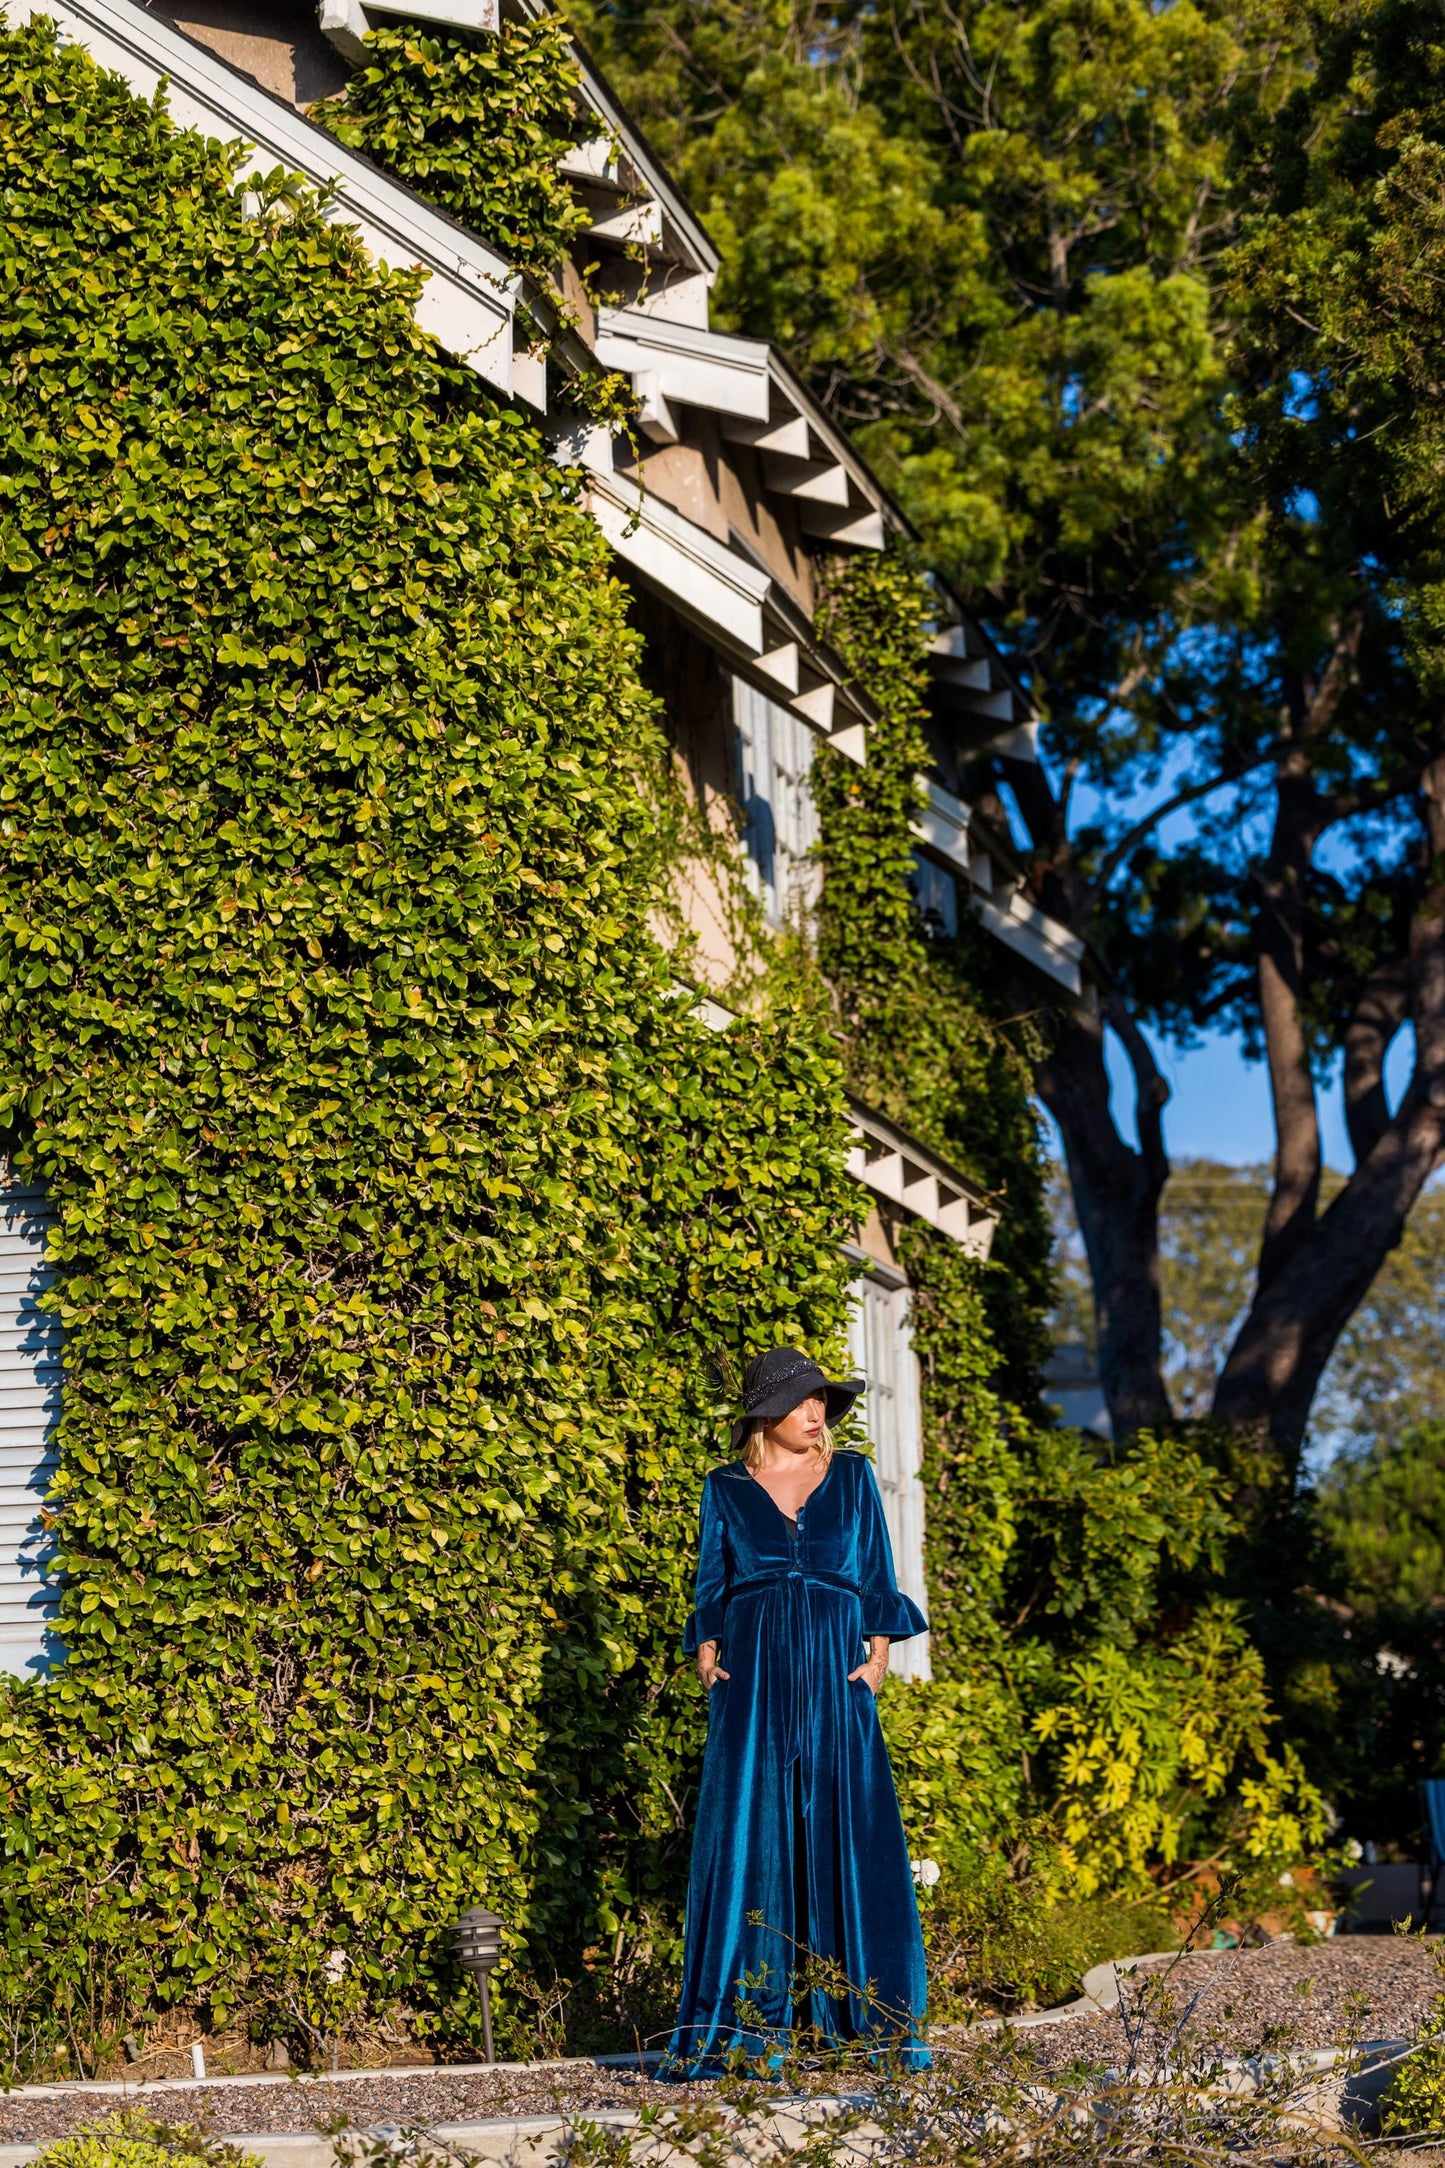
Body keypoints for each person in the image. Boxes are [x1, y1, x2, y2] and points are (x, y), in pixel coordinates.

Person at [663, 1345, 931, 2077]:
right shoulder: (725, 1487)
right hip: (750, 1681)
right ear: (765, 1415)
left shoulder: (852, 1475)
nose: (815, 1414)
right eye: (800, 1402)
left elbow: (874, 1571)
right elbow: (710, 1583)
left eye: (821, 1402)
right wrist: (707, 1655)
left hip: (838, 1678)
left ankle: (870, 2024)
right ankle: (745, 2030)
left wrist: (878, 1659)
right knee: (749, 1841)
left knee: (854, 1836)